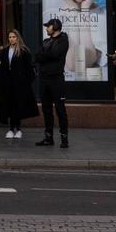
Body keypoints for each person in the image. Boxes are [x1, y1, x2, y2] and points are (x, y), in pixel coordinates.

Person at [0, 29, 38, 140]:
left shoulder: (24, 51)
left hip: (19, 84)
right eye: (10, 37)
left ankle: (17, 129)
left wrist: (25, 82)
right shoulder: (5, 51)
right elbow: (2, 67)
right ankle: (10, 128)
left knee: (17, 106)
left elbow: (29, 69)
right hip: (8, 84)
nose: (11, 39)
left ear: (17, 38)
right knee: (8, 106)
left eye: (14, 37)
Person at [34, 17, 69, 148]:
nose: (46, 28)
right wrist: (45, 55)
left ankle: (64, 139)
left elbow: (55, 54)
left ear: (54, 27)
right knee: (46, 109)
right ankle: (48, 138)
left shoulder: (63, 40)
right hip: (44, 79)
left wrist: (45, 54)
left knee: (60, 109)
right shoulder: (46, 41)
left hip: (56, 79)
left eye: (48, 26)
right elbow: (37, 56)